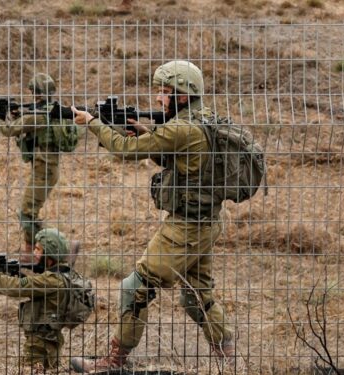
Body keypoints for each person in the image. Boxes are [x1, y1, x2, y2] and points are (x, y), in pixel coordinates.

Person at [68, 60, 235, 372]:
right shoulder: (202, 118)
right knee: (198, 296)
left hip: (186, 228)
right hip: (207, 221)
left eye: (165, 92)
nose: (159, 98)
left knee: (135, 286)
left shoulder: (181, 128)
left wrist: (90, 121)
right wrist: (144, 131)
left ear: (183, 96)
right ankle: (229, 359)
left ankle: (114, 362)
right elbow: (174, 154)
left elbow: (123, 150)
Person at [0, 229, 93, 371]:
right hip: (50, 339)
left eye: (38, 249)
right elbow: (37, 289)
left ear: (50, 254)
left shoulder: (52, 280)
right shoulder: (64, 274)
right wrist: (21, 275)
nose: (34, 253)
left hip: (39, 343)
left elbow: (15, 287)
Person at [0, 73, 81, 262]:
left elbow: (8, 130)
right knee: (29, 211)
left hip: (44, 171)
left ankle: (55, 250)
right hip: (47, 169)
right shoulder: (51, 112)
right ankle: (34, 251)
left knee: (27, 212)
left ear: (36, 93)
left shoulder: (38, 116)